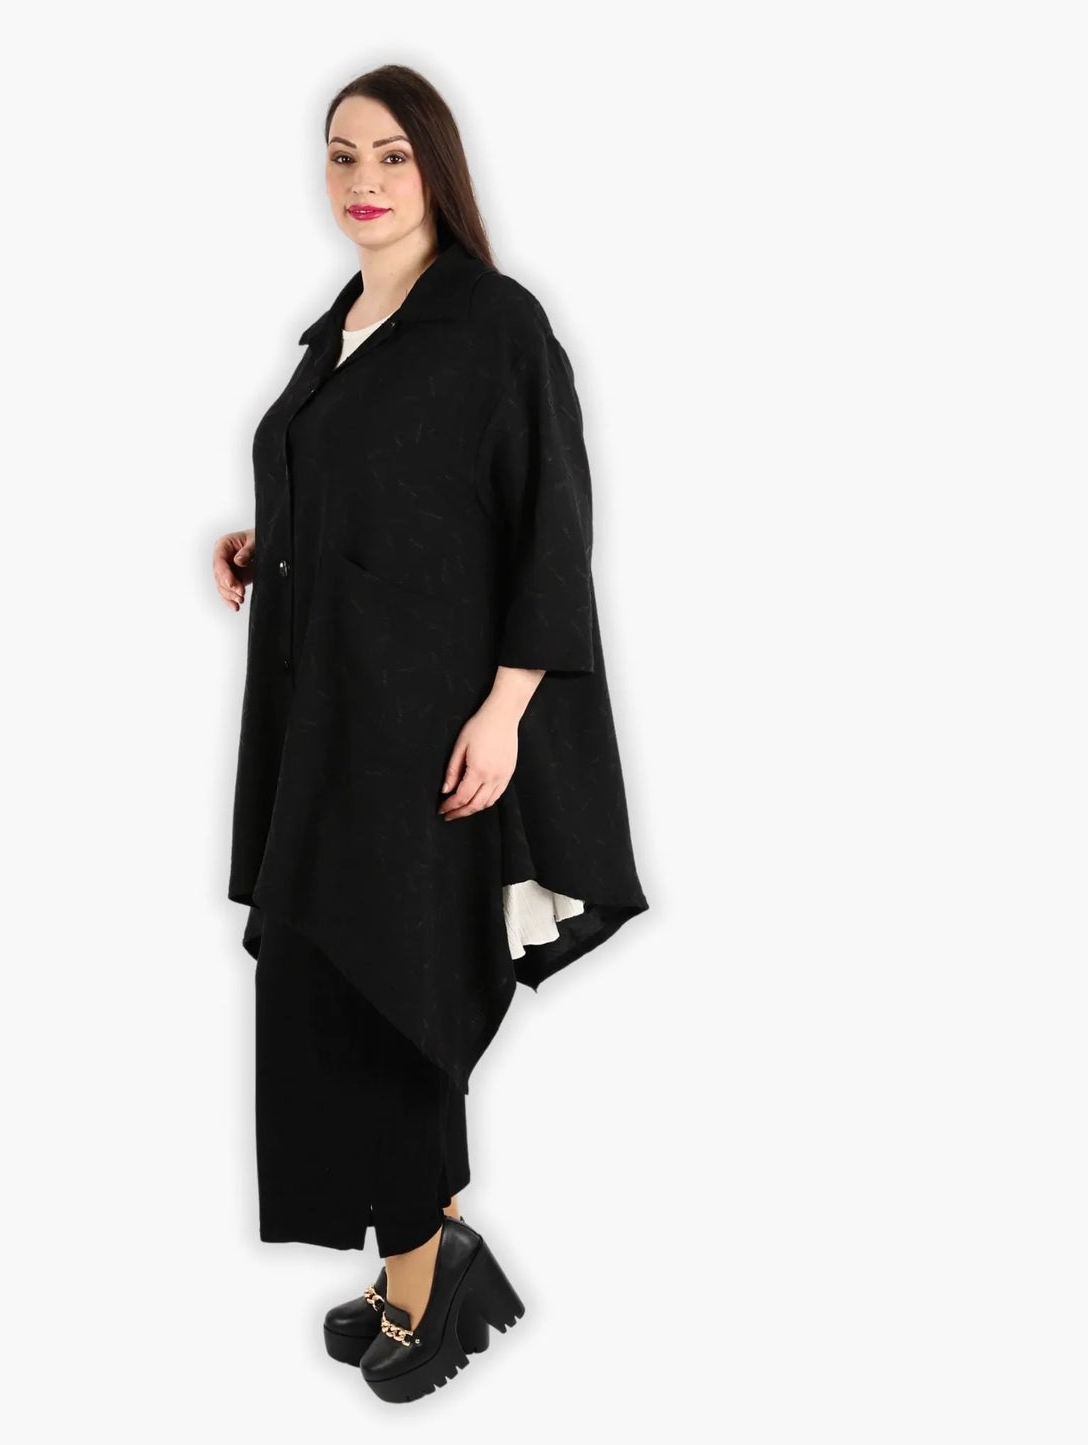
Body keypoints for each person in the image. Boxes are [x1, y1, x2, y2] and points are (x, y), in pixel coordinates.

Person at [212, 64, 649, 1402]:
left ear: (437, 169)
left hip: (424, 734)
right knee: (315, 972)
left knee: (386, 981)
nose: (363, 181)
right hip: (320, 723)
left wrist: (506, 711)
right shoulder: (342, 327)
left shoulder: (491, 324)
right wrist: (268, 545)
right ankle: (430, 1244)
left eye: (392, 156)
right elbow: (377, 498)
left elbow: (548, 527)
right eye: (342, 154)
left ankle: (423, 1283)